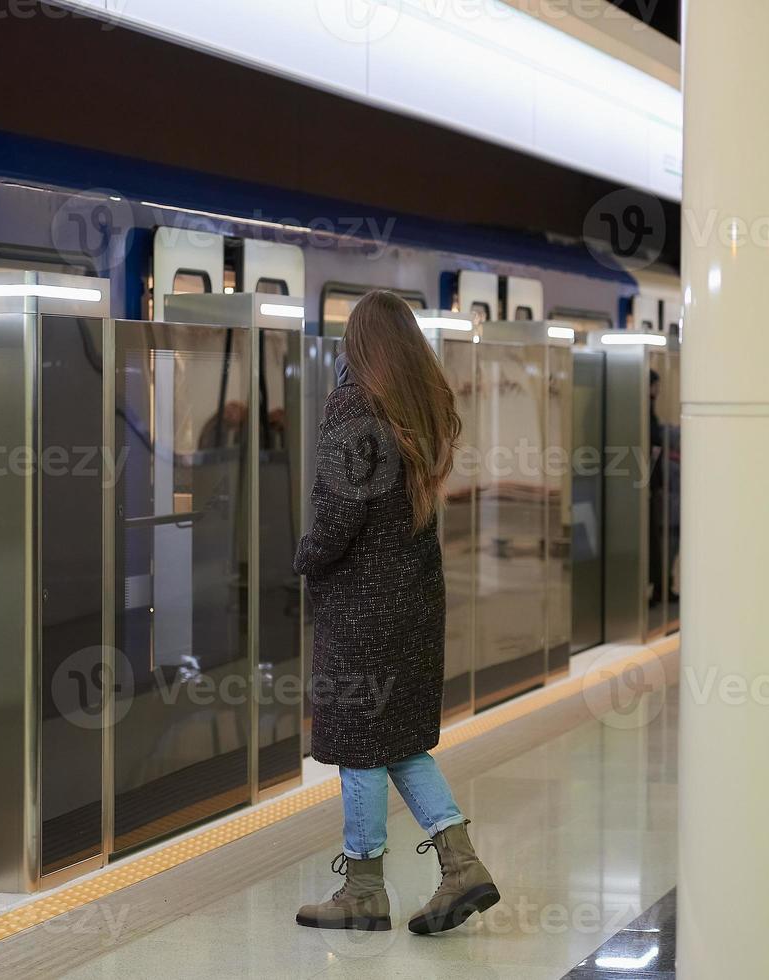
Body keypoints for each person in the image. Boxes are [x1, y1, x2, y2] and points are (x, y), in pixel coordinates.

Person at [293, 291, 498, 935]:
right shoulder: (422, 409)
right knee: (399, 740)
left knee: (360, 742)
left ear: (361, 346)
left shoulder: (353, 406)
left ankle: (362, 888)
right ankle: (461, 865)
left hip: (362, 606)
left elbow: (339, 513)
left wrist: (305, 558)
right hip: (414, 600)